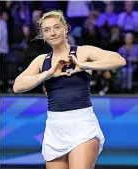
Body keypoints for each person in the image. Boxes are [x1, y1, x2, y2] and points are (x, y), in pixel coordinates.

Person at [13, 10, 126, 169]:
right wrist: (48, 73)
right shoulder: (41, 61)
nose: (52, 33)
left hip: (82, 126)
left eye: (57, 27)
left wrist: (85, 66)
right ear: (43, 35)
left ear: (65, 29)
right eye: (47, 30)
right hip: (55, 128)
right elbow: (17, 86)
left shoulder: (82, 52)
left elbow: (119, 60)